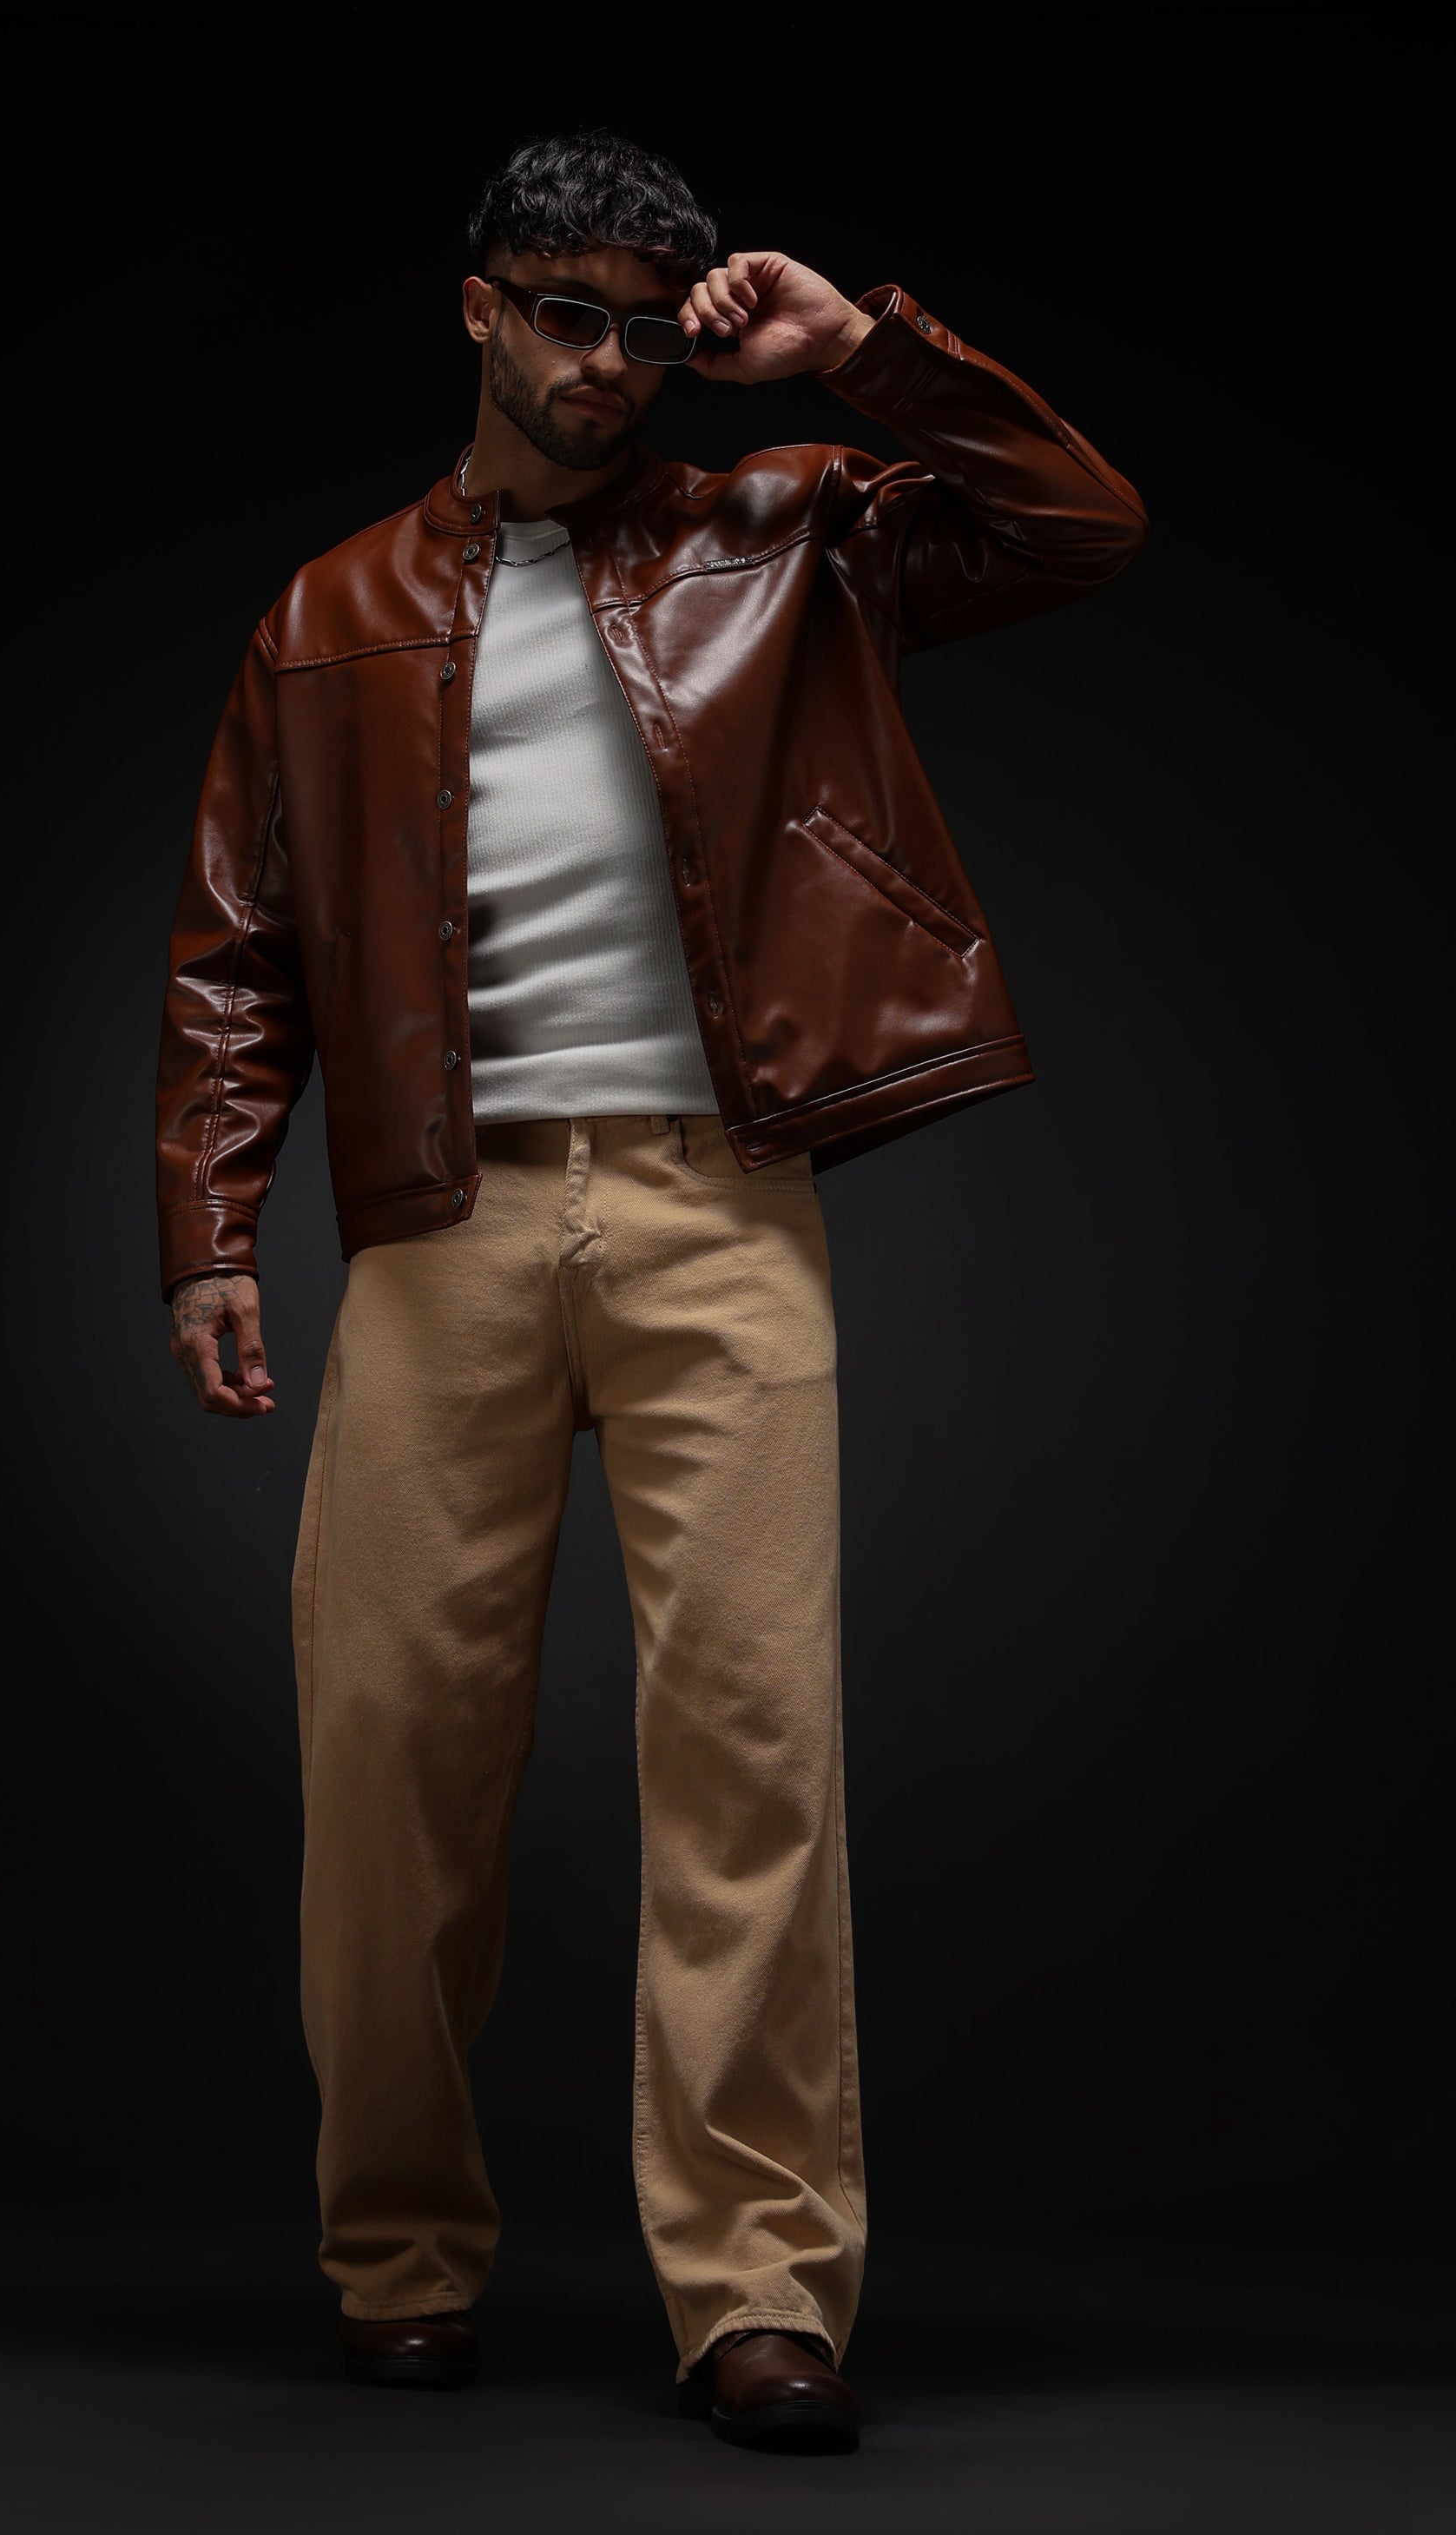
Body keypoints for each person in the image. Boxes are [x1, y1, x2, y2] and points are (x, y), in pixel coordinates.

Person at [155, 128, 1145, 2454]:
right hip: (444, 1226)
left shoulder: (779, 529)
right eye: (564, 312)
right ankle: (399, 2250)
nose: (606, 361)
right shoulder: (328, 610)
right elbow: (236, 947)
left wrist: (867, 352)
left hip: (721, 1207)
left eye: (642, 326)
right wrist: (209, 1225)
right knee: (388, 1760)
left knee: (752, 1755)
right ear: (478, 307)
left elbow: (1075, 522)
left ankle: (758, 2287)